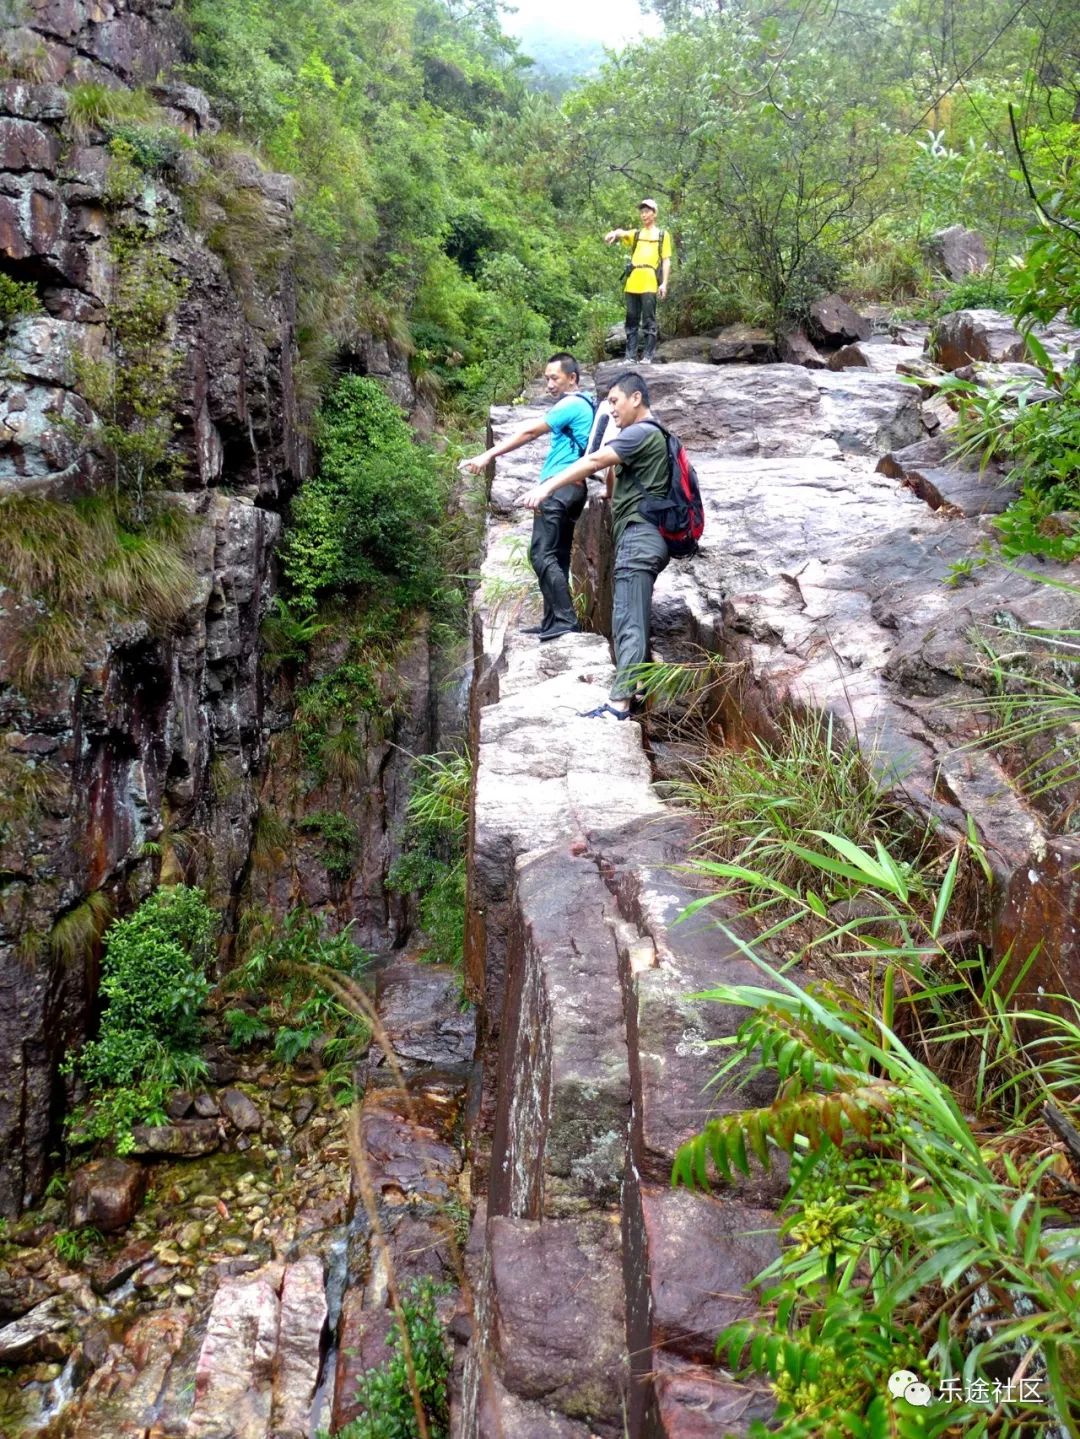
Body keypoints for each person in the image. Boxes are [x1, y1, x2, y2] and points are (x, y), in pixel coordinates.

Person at [522, 371, 669, 716]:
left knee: (627, 617)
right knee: (633, 614)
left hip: (641, 536)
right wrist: (608, 493)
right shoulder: (645, 435)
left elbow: (594, 461)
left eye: (615, 401)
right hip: (645, 535)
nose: (611, 410)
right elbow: (613, 473)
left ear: (636, 399)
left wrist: (546, 487)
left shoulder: (641, 432)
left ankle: (619, 704)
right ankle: (640, 689)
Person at [463, 353, 596, 641]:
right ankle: (553, 621)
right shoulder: (587, 405)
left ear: (572, 378)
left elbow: (529, 431)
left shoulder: (571, 403)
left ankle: (564, 619)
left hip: (558, 487)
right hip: (574, 487)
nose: (549, 384)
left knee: (540, 553)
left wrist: (487, 454)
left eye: (554, 378)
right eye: (546, 378)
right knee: (557, 556)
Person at [604, 199, 672, 365]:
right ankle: (630, 357)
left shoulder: (662, 235)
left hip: (649, 281)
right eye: (642, 212)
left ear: (654, 213)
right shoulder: (637, 234)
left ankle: (648, 356)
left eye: (647, 211)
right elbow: (622, 232)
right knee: (631, 320)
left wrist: (664, 283)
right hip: (633, 281)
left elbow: (666, 260)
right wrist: (613, 233)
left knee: (649, 319)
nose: (644, 215)